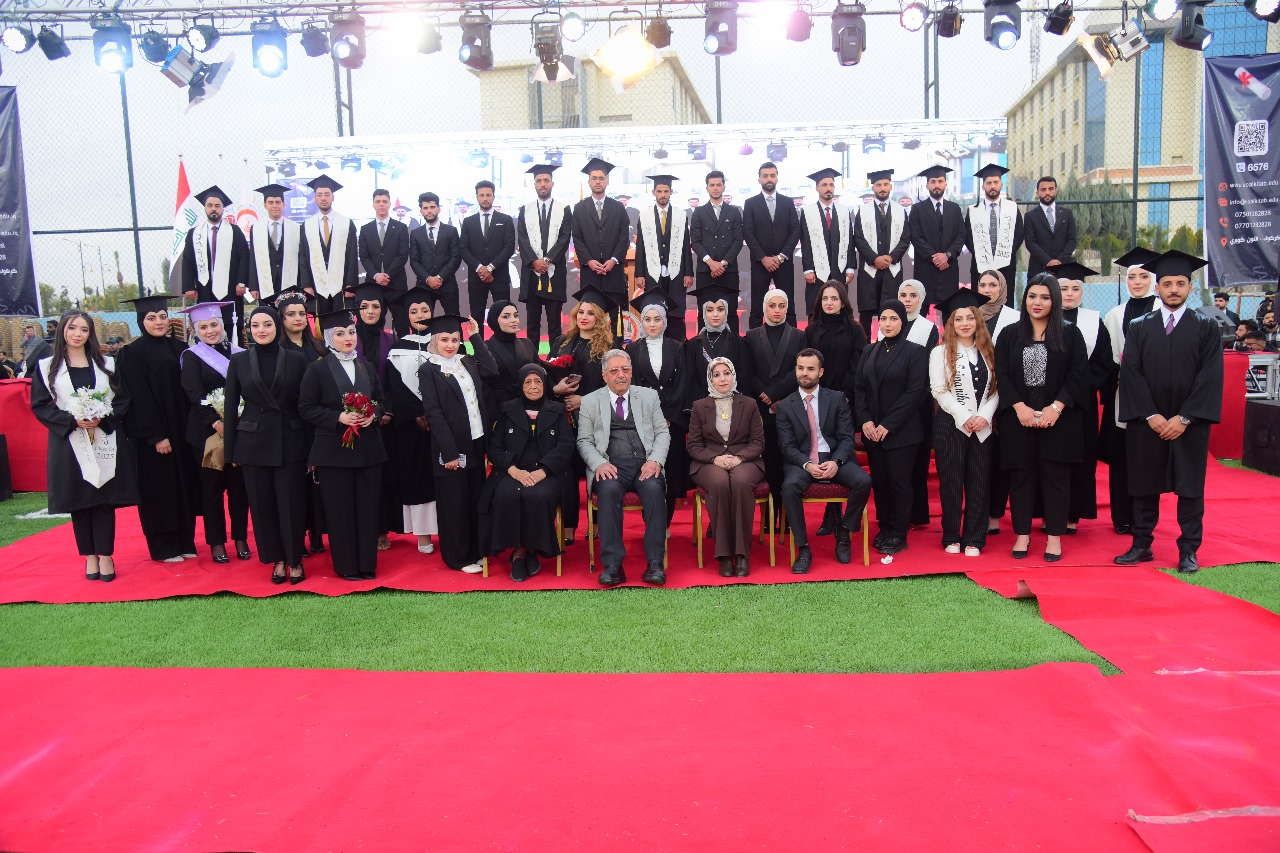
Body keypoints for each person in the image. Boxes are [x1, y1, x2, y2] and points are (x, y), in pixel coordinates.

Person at [1115, 250, 1223, 573]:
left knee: (1190, 487)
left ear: (1191, 287)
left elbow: (1210, 376)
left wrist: (1184, 418)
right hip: (1149, 422)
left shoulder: (1207, 327)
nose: (1173, 289)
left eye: (1180, 283)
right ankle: (1141, 544)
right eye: (1166, 283)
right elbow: (1130, 372)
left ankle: (1189, 549)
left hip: (1189, 424)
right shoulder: (1138, 326)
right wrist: (1151, 415)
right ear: (1157, 288)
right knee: (1144, 484)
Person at [30, 311, 139, 582]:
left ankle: (105, 555)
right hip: (69, 441)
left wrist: (102, 417)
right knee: (79, 500)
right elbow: (40, 405)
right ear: (62, 331)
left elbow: (123, 399)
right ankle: (89, 555)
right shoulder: (46, 367)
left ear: (91, 334)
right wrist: (72, 420)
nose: (78, 334)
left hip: (103, 437)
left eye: (84, 329)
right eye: (72, 328)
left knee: (103, 498)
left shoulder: (107, 365)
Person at [994, 273, 1088, 562]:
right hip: (1017, 419)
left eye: (1045, 297)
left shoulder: (1070, 333)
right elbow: (1002, 374)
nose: (1037, 302)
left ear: (1054, 300)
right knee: (1021, 478)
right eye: (1032, 296)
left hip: (1058, 420)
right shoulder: (1010, 333)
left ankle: (1054, 538)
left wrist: (1056, 408)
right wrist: (1019, 407)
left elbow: (1077, 374)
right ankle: (1022, 534)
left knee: (1056, 479)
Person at [298, 309, 388, 580]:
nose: (347, 338)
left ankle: (366, 564)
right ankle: (347, 567)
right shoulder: (317, 368)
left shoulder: (367, 366)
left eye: (351, 332)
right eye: (340, 334)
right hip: (333, 452)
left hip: (368, 450)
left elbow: (381, 402)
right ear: (328, 338)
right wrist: (338, 416)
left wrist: (374, 414)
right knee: (340, 510)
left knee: (367, 508)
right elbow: (305, 408)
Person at [223, 305, 310, 584]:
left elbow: (306, 405)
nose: (262, 330)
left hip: (291, 442)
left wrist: (312, 448)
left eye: (268, 324)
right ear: (249, 329)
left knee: (291, 504)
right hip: (253, 444)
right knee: (262, 506)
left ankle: (295, 559)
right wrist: (231, 450)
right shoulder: (238, 362)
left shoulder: (297, 360)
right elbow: (230, 406)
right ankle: (278, 560)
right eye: (256, 325)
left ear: (277, 327)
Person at [115, 293, 200, 563]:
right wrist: (156, 435)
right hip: (155, 435)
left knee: (184, 484)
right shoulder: (132, 353)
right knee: (159, 488)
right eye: (151, 318)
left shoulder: (179, 348)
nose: (159, 322)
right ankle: (164, 545)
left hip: (182, 429)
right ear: (141, 321)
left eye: (163, 317)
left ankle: (186, 540)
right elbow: (138, 398)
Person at [576, 348, 671, 587]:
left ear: (631, 372)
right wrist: (599, 463)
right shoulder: (589, 401)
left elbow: (662, 432)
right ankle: (612, 566)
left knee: (654, 491)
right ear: (604, 375)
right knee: (607, 492)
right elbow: (584, 441)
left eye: (625, 370)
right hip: (610, 467)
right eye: (614, 370)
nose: (621, 375)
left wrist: (655, 461)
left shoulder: (648, 397)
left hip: (645, 466)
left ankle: (655, 563)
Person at [777, 348, 873, 570]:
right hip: (802, 461)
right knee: (789, 488)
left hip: (835, 458)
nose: (804, 373)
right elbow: (787, 446)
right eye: (800, 368)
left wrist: (836, 462)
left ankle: (844, 532)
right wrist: (808, 465)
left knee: (864, 482)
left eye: (810, 369)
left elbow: (847, 438)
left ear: (821, 372)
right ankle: (803, 549)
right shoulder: (785, 406)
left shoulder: (837, 398)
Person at [419, 314, 499, 575]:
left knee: (474, 499)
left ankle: (476, 550)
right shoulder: (429, 369)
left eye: (454, 339)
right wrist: (449, 452)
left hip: (476, 442)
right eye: (444, 339)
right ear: (434, 341)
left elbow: (492, 369)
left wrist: (476, 336)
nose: (450, 344)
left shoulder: (467, 362)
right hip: (451, 448)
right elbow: (433, 413)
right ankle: (458, 557)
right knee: (454, 504)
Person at [479, 363, 574, 581]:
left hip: (546, 472)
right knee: (506, 494)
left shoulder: (557, 409)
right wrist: (513, 470)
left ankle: (526, 551)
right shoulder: (507, 409)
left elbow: (566, 445)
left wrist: (544, 470)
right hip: (511, 471)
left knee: (539, 495)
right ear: (521, 386)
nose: (533, 387)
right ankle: (522, 551)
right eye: (528, 382)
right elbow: (494, 447)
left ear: (544, 384)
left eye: (538, 381)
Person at [178, 301, 250, 565]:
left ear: (223, 324)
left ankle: (240, 538)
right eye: (204, 326)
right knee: (211, 490)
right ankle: (217, 542)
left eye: (214, 324)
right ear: (196, 329)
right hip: (206, 434)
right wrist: (216, 423)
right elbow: (194, 394)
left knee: (239, 488)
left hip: (239, 430)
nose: (211, 330)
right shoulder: (192, 357)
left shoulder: (240, 353)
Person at [855, 300, 929, 555]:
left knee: (899, 483)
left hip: (902, 432)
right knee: (881, 483)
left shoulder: (915, 351)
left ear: (903, 321)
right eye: (884, 318)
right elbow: (860, 388)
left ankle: (899, 533)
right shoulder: (869, 350)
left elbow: (914, 393)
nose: (888, 323)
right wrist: (865, 420)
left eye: (893, 319)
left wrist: (888, 424)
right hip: (873, 432)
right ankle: (884, 527)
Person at [550, 285, 622, 544]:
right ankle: (568, 526)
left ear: (600, 318)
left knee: (600, 472)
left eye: (591, 313)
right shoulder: (562, 342)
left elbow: (616, 386)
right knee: (567, 474)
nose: (584, 317)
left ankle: (600, 523)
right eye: (581, 312)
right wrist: (557, 390)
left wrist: (584, 400)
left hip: (597, 419)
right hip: (563, 419)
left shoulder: (610, 347)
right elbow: (548, 378)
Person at [930, 290, 999, 556]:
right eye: (959, 319)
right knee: (951, 483)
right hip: (951, 426)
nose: (965, 323)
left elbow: (997, 388)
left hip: (983, 426)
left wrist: (984, 416)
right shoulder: (940, 352)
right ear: (951, 323)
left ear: (978, 321)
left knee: (979, 481)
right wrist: (966, 417)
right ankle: (951, 535)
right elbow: (939, 390)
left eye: (970, 318)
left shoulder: (989, 351)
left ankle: (974, 537)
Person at [687, 357, 766, 577]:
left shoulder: (749, 404)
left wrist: (739, 457)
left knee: (740, 482)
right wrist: (715, 458)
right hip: (708, 462)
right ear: (710, 378)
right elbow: (693, 445)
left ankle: (741, 554)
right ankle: (723, 554)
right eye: (716, 374)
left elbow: (758, 442)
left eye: (726, 373)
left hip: (746, 461)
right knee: (720, 483)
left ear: (733, 375)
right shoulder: (699, 406)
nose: (722, 378)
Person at [1100, 247, 1160, 535]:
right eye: (1132, 277)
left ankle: (1145, 518)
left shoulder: (1163, 311)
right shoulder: (1114, 314)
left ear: (1154, 280)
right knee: (1121, 459)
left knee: (1147, 458)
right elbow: (1107, 358)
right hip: (1121, 395)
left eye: (1143, 276)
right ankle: (1122, 518)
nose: (1137, 282)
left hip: (1155, 397)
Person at [1056, 262, 1113, 533]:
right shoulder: (1040, 316)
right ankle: (1048, 513)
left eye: (1075, 288)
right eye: (1063, 288)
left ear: (1082, 292)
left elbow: (1103, 363)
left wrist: (1077, 389)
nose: (1069, 293)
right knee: (1049, 459)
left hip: (1081, 404)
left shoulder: (1094, 321)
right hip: (1046, 401)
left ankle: (1072, 515)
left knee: (1080, 458)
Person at [626, 290, 690, 527]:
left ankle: (665, 526)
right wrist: (650, 417)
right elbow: (632, 386)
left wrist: (669, 417)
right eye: (648, 319)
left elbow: (681, 384)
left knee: (671, 475)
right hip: (643, 424)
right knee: (648, 476)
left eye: (657, 319)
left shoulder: (678, 348)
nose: (652, 324)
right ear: (641, 321)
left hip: (671, 425)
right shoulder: (632, 350)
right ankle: (651, 525)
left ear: (665, 321)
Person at [385, 286, 439, 554]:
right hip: (412, 427)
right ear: (407, 316)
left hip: (441, 423)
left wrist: (434, 413)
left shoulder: (446, 342)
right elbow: (395, 388)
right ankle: (424, 535)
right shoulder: (398, 348)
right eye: (414, 311)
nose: (420, 315)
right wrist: (417, 413)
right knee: (418, 478)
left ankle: (450, 528)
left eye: (425, 310)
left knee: (444, 476)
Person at [744, 289, 803, 525]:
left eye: (781, 306)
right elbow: (748, 372)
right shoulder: (751, 336)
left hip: (788, 409)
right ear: (764, 308)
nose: (777, 310)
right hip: (761, 412)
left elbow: (799, 369)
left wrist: (776, 395)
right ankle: (768, 519)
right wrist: (766, 395)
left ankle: (788, 519)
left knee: (788, 466)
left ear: (787, 308)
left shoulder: (798, 336)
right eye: (772, 305)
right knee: (767, 466)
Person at [352, 282, 400, 551]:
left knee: (380, 477)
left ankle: (381, 529)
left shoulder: (390, 340)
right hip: (353, 421)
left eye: (376, 306)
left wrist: (386, 410)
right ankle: (357, 526)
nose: (370, 311)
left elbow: (392, 382)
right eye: (365, 307)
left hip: (382, 421)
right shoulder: (347, 337)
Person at [181, 185, 250, 343]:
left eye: (217, 206)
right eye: (210, 205)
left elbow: (244, 256)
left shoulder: (234, 231)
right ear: (205, 208)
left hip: (231, 289)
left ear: (223, 209)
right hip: (204, 289)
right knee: (206, 327)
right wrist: (189, 287)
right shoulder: (195, 234)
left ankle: (234, 361)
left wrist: (241, 282)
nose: (214, 209)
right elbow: (188, 260)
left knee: (231, 329)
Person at [896, 279, 939, 529]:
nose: (908, 299)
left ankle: (918, 514)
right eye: (903, 294)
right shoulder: (888, 323)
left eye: (913, 295)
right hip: (891, 403)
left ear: (921, 299)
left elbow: (927, 368)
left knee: (917, 462)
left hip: (918, 402)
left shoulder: (928, 328)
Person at [517, 164, 574, 346]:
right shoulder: (525, 209)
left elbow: (564, 239)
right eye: (539, 181)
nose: (543, 184)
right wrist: (534, 261)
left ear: (552, 183)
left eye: (546, 181)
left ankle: (554, 360)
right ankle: (532, 361)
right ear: (534, 184)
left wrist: (547, 260)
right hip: (532, 273)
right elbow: (523, 239)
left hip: (554, 273)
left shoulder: (564, 209)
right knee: (532, 323)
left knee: (554, 325)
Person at [571, 158, 631, 330]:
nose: (598, 181)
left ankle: (617, 353)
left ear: (607, 181)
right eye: (594, 178)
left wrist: (613, 260)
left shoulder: (618, 208)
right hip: (591, 274)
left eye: (601, 178)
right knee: (591, 321)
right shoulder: (579, 208)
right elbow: (577, 237)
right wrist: (589, 261)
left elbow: (623, 237)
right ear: (589, 181)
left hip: (614, 273)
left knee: (615, 321)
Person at [633, 174, 694, 341]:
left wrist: (689, 272)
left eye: (666, 191)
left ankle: (678, 349)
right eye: (659, 191)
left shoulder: (681, 216)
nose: (663, 195)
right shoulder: (644, 216)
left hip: (676, 272)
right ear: (653, 192)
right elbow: (641, 247)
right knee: (655, 311)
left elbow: (685, 246)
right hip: (652, 272)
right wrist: (639, 273)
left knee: (675, 313)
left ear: (671, 192)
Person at [742, 161, 802, 328]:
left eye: (772, 175)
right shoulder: (750, 203)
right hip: (761, 263)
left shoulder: (788, 202)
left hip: (784, 263)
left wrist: (781, 257)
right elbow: (748, 232)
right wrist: (763, 257)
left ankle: (793, 343)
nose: (769, 179)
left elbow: (795, 231)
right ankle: (752, 345)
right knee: (756, 308)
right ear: (759, 179)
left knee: (788, 305)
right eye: (765, 176)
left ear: (777, 178)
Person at [853, 169, 911, 335]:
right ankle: (863, 352)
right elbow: (858, 238)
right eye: (879, 185)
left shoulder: (901, 210)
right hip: (870, 270)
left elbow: (905, 238)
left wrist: (891, 257)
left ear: (890, 186)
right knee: (866, 314)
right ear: (873, 188)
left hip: (892, 270)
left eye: (885, 184)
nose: (882, 188)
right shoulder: (862, 211)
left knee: (891, 313)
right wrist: (874, 259)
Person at [684, 283, 754, 415]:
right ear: (703, 312)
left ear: (727, 311)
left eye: (720, 309)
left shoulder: (739, 343)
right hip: (703, 412)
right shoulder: (693, 345)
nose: (715, 314)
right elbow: (691, 381)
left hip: (733, 411)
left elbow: (744, 380)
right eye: (710, 310)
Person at [690, 170, 745, 333]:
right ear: (707, 188)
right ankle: (702, 350)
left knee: (731, 312)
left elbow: (738, 241)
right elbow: (695, 242)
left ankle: (734, 349)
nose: (715, 188)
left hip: (728, 271)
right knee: (704, 313)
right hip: (705, 271)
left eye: (718, 185)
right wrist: (711, 263)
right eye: (712, 185)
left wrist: (722, 264)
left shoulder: (734, 211)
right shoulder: (698, 212)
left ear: (724, 187)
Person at [799, 168, 855, 321]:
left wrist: (850, 267)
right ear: (817, 188)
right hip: (816, 271)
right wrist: (808, 268)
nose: (828, 188)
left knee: (840, 310)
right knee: (816, 310)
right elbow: (805, 242)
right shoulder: (808, 211)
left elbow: (850, 240)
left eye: (831, 184)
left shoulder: (844, 211)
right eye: (824, 185)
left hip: (839, 267)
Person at [907, 165, 967, 310]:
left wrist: (947, 255)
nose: (937, 185)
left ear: (945, 184)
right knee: (921, 310)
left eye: (940, 181)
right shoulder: (917, 209)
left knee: (950, 312)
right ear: (927, 185)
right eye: (933, 182)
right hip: (925, 267)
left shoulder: (954, 208)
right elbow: (915, 237)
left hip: (949, 268)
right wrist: (935, 258)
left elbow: (961, 235)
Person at [804, 279, 868, 413]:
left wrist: (846, 394)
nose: (829, 303)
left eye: (834, 298)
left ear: (843, 302)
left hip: (846, 399)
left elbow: (859, 365)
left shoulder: (855, 330)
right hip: (816, 397)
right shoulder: (811, 329)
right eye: (825, 298)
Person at [965, 164, 1024, 308]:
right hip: (980, 265)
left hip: (1006, 264)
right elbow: (967, 237)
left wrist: (1003, 255)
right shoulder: (973, 210)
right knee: (980, 305)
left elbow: (1019, 234)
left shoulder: (1012, 208)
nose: (992, 186)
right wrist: (982, 254)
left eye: (996, 182)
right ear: (983, 186)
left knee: (1006, 304)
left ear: (1001, 185)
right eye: (989, 183)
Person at [299, 174, 359, 313]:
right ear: (315, 198)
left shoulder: (346, 223)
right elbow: (303, 257)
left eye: (327, 194)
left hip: (341, 285)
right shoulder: (307, 225)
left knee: (341, 323)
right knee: (320, 324)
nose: (323, 198)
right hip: (317, 286)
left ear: (333, 197)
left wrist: (351, 284)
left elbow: (352, 255)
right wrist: (306, 284)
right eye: (319, 195)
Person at [458, 180, 516, 322]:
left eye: (488, 195)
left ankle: (502, 344)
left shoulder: (506, 220)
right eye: (481, 195)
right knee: (476, 315)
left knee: (504, 315)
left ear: (493, 197)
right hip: (476, 276)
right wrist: (480, 268)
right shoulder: (468, 222)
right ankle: (479, 345)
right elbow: (463, 249)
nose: (485, 198)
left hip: (500, 275)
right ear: (476, 197)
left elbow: (509, 247)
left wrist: (490, 268)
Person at [358, 188, 412, 336]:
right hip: (374, 286)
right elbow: (364, 256)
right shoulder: (365, 229)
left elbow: (403, 255)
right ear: (373, 204)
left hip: (396, 284)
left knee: (401, 324)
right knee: (374, 325)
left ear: (389, 204)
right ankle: (374, 357)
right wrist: (376, 275)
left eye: (384, 201)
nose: (381, 204)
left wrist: (387, 275)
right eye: (378, 201)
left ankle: (404, 355)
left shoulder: (401, 228)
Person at [408, 191, 463, 318]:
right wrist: (428, 279)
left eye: (432, 207)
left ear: (438, 209)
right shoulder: (415, 233)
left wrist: (439, 278)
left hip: (447, 283)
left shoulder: (451, 231)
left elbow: (456, 257)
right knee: (422, 322)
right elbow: (414, 260)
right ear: (421, 211)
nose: (429, 211)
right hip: (424, 284)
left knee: (453, 319)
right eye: (425, 208)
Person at [246, 183, 303, 305]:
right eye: (271, 202)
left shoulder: (296, 228)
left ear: (284, 204)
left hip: (289, 281)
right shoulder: (256, 228)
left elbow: (301, 258)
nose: (274, 206)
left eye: (278, 202)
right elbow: (253, 259)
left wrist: (301, 284)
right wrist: (253, 286)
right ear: (265, 205)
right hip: (265, 282)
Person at [484, 299, 539, 416]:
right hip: (500, 411)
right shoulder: (485, 348)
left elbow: (540, 374)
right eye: (506, 317)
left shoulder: (527, 344)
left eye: (516, 315)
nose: (514, 320)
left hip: (529, 407)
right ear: (494, 320)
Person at [1023, 176, 1078, 280]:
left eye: (1051, 189)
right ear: (1037, 193)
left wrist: (1059, 261)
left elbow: (1072, 240)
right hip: (1038, 269)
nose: (1047, 192)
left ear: (1056, 191)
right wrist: (1048, 261)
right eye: (1043, 190)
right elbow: (1030, 242)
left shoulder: (1067, 214)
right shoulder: (1030, 216)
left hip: (1064, 268)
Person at [976, 269, 1021, 343]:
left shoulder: (1015, 318)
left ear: (1001, 288)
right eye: (982, 285)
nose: (986, 290)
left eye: (992, 285)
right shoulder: (971, 315)